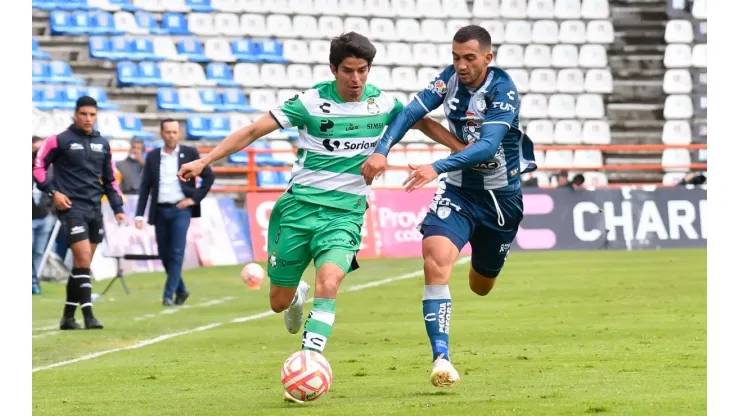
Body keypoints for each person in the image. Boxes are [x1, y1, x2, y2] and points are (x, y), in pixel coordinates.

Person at [177, 32, 463, 402]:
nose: (357, 78)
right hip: (297, 212)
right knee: (278, 302)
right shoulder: (309, 103)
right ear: (333, 69)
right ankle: (296, 293)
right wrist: (204, 160)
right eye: (348, 70)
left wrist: (461, 149)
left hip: (345, 214)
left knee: (330, 281)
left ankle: (310, 359)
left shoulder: (382, 103)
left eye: (363, 70)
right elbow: (251, 130)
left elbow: (422, 121)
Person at [361, 25, 538, 388]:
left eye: (469, 58)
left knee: (481, 285)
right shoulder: (448, 80)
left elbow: (488, 147)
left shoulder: (503, 90)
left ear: (488, 58)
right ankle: (441, 357)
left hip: (500, 200)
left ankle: (483, 259)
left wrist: (434, 166)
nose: (460, 65)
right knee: (434, 259)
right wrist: (382, 149)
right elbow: (411, 112)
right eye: (456, 57)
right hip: (458, 192)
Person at [33, 96, 127, 330]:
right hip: (71, 208)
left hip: (94, 209)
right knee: (83, 259)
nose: (88, 118)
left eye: (92, 115)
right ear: (75, 114)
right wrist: (53, 192)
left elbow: (110, 179)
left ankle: (67, 317)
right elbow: (37, 167)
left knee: (81, 266)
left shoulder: (102, 144)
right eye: (83, 114)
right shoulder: (59, 141)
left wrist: (117, 208)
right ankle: (88, 315)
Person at [135, 119, 214, 306]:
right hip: (160, 210)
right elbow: (145, 187)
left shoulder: (190, 153)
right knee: (164, 254)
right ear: (161, 134)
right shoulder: (153, 156)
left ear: (179, 134)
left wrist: (194, 198)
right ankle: (181, 289)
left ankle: (167, 296)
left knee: (177, 252)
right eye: (168, 132)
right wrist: (139, 214)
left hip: (181, 210)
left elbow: (209, 176)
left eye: (175, 132)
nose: (171, 135)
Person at [32, 136, 55, 295]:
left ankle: (34, 280)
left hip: (45, 216)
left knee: (39, 252)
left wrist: (50, 208)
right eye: (34, 149)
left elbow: (54, 187)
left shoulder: (50, 167)